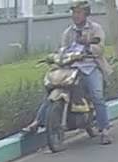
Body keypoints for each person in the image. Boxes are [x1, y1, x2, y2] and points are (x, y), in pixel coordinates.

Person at [22, 2, 113, 144]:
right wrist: (55, 57)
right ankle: (37, 122)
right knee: (52, 90)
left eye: (79, 12)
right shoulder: (68, 32)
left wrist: (88, 48)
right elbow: (62, 49)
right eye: (74, 12)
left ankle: (105, 130)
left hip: (90, 66)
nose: (75, 15)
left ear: (86, 14)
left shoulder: (95, 29)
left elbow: (100, 48)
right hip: (70, 67)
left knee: (97, 95)